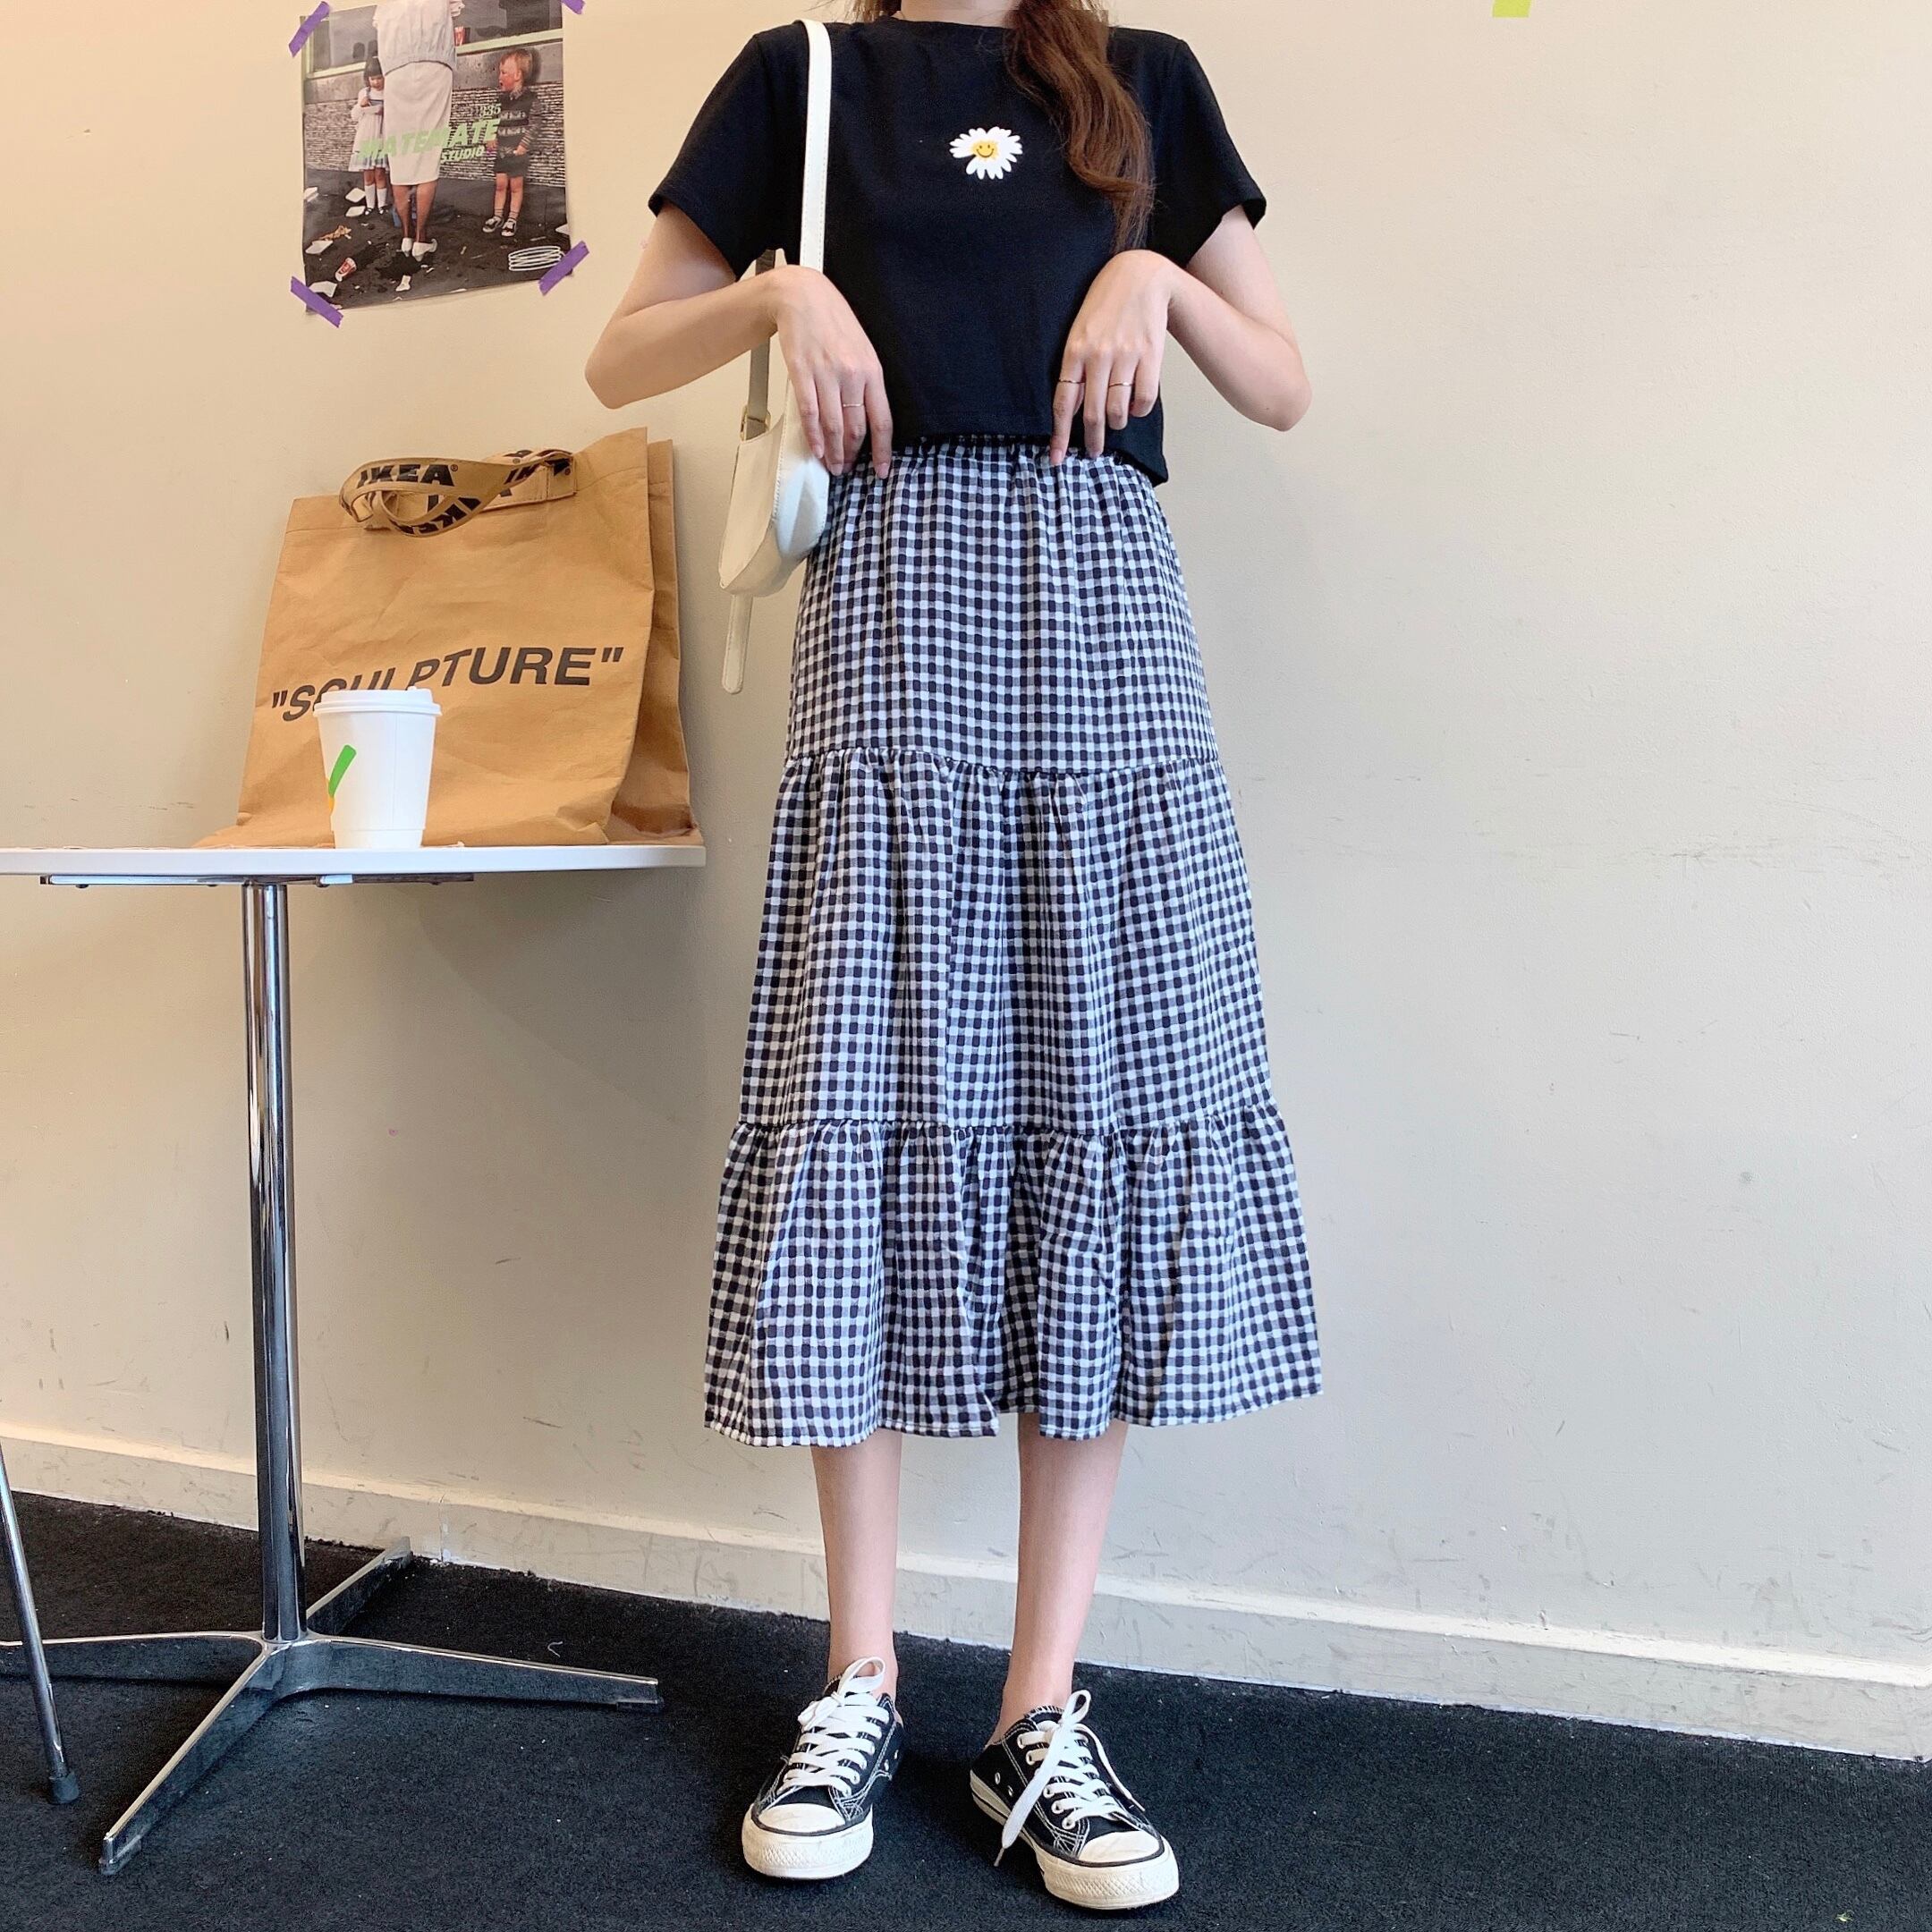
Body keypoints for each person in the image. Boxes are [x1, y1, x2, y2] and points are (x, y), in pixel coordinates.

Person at [587, 0, 1319, 1911]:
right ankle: (858, 1676)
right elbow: (619, 349)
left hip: (1108, 615)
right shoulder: (805, 77)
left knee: (1108, 1102)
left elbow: (1282, 383)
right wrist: (780, 299)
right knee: (862, 1094)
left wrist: (1156, 275)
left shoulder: (1145, 79)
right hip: (896, 608)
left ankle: (1038, 1709)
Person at [372, 0, 462, 266]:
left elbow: (379, 21)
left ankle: (406, 237)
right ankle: (422, 239)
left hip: (396, 68)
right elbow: (454, 10)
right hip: (435, 63)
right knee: (428, 154)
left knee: (400, 155)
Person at [483, 47, 542, 241]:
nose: (499, 77)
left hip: (517, 153)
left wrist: (523, 146)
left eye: (503, 72)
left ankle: (512, 218)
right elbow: (492, 121)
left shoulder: (531, 100)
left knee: (516, 186)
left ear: (518, 75)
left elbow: (535, 125)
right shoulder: (499, 101)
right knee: (500, 185)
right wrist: (490, 136)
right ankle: (497, 216)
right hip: (501, 152)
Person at [349, 57, 391, 224]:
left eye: (379, 78)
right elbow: (354, 116)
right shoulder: (364, 93)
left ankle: (382, 205)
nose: (376, 82)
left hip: (382, 136)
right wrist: (361, 105)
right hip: (366, 136)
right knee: (368, 174)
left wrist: (386, 111)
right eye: (373, 79)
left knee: (380, 173)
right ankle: (370, 205)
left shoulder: (389, 92)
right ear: (368, 79)